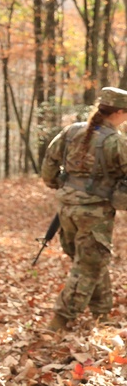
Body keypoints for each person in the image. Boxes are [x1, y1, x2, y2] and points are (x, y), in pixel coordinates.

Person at [41, 87, 127, 331]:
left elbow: (49, 163)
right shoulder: (116, 141)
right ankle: (59, 321)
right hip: (94, 214)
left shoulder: (71, 131)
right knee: (88, 267)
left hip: (66, 210)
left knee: (92, 262)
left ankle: (102, 315)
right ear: (119, 112)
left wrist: (59, 185)